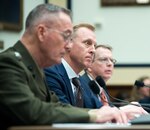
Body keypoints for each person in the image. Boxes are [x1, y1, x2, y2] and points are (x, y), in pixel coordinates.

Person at [0, 3, 129, 130]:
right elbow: (31, 111)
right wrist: (93, 115)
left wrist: (106, 114)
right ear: (42, 32)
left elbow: (58, 106)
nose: (68, 46)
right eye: (65, 36)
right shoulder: (7, 63)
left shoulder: (36, 68)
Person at [44, 23, 102, 108]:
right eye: (87, 43)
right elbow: (63, 111)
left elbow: (100, 109)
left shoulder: (82, 82)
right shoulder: (51, 73)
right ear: (68, 43)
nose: (93, 50)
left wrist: (121, 111)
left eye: (94, 46)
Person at [82, 44, 148, 118]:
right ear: (89, 65)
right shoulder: (82, 86)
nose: (110, 64)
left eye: (112, 60)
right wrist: (121, 111)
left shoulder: (102, 89)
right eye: (104, 59)